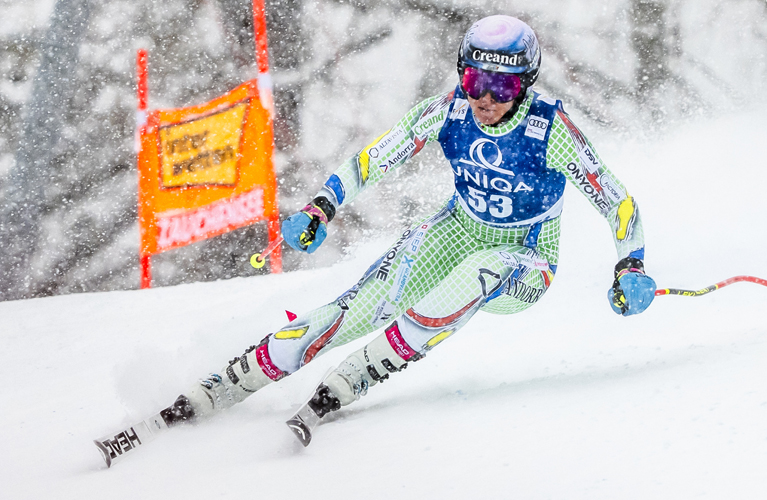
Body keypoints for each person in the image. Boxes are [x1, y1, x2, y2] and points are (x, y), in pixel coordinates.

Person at [159, 15, 657, 443]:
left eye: (502, 87)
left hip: (527, 257)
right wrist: (321, 207)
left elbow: (616, 200)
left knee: (475, 274)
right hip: (458, 229)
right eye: (474, 81)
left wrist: (630, 264)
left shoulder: (548, 129)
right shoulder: (448, 111)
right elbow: (375, 159)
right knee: (356, 309)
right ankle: (224, 385)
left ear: (524, 85)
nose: (485, 99)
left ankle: (355, 376)